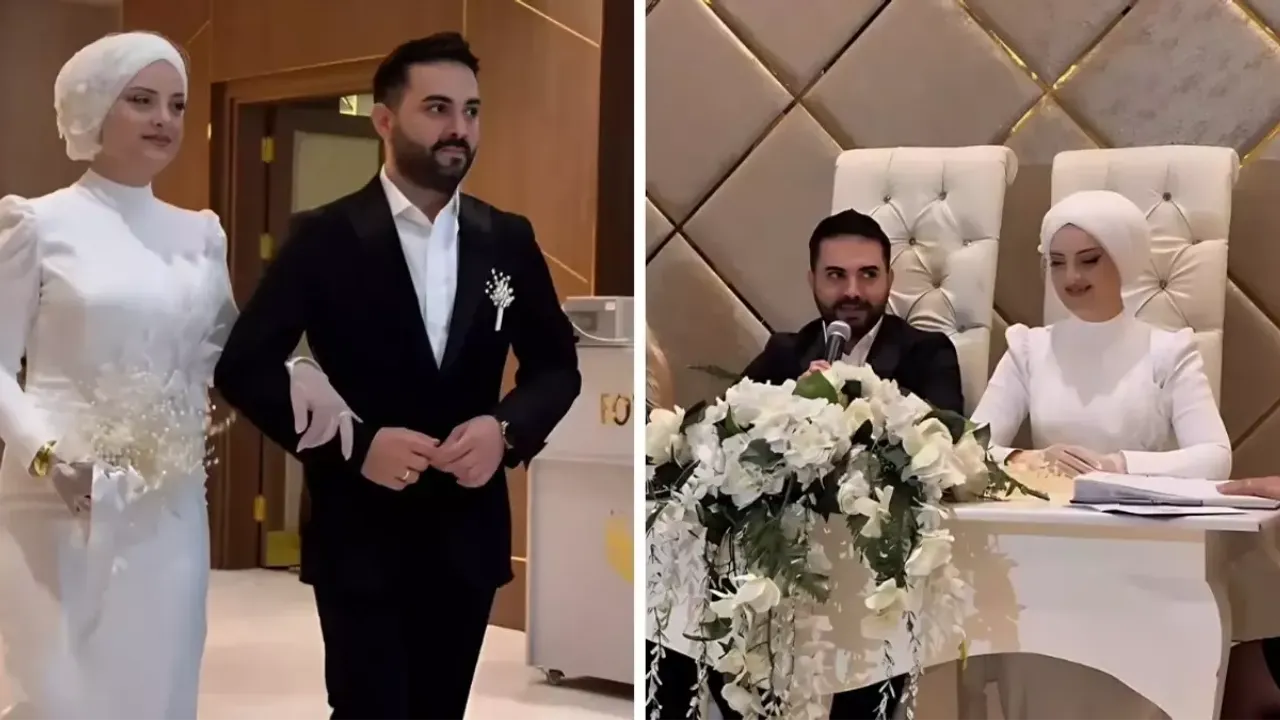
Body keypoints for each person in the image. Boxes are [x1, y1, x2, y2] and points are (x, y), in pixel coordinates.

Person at [213, 33, 582, 720]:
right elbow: (244, 366)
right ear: (384, 120)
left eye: (471, 111)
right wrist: (355, 445)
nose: (458, 128)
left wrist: (504, 430)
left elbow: (557, 366)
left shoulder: (507, 238)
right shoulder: (323, 237)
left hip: (467, 531)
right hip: (359, 530)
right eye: (437, 108)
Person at [0, 32, 351, 719]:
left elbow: (227, 348)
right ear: (94, 106)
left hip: (169, 502)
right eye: (141, 100)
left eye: (177, 105)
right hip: (58, 496)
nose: (164, 119)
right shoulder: (38, 224)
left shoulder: (200, 235)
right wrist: (46, 455)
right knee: (66, 693)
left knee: (160, 683)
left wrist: (300, 368)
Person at [647, 209, 964, 720]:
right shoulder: (786, 351)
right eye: (836, 275)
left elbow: (945, 437)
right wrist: (791, 403)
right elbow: (723, 426)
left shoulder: (926, 352)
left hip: (872, 571)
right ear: (812, 279)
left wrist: (856, 400)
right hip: (778, 569)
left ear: (889, 279)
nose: (852, 291)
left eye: (867, 274)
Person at [967, 190, 1231, 719]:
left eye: (1089, 260)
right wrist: (1028, 461)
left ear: (1123, 258)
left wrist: (1120, 466)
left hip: (1144, 563)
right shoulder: (1028, 349)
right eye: (1057, 262)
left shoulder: (1169, 351)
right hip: (1044, 567)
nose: (1071, 278)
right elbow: (968, 448)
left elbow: (1215, 457)